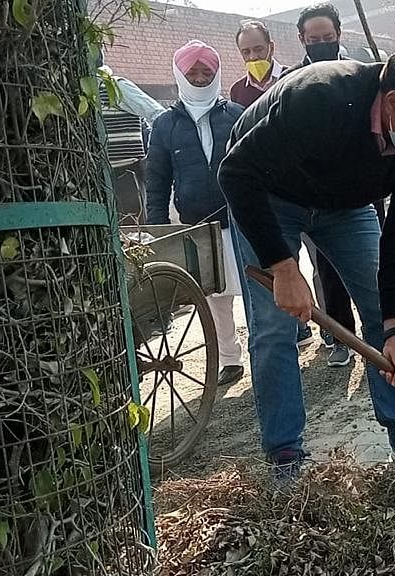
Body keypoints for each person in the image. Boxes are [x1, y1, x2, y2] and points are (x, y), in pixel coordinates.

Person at [218, 33, 395, 482]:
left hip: (347, 207)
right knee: (276, 328)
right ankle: (286, 455)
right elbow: (235, 173)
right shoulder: (318, 98)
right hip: (269, 195)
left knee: (384, 316)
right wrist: (282, 266)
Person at [282, 2, 389, 368]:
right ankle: (341, 336)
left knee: (376, 274)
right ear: (302, 39)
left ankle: (388, 341)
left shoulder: (365, 75)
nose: (322, 43)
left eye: (328, 37)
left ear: (339, 35)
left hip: (363, 191)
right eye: (314, 39)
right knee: (327, 271)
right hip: (316, 196)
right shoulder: (292, 83)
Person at [146, 40, 246, 388]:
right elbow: (156, 182)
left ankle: (282, 341)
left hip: (243, 221)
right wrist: (157, 230)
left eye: (207, 71)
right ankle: (230, 360)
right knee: (214, 298)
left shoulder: (235, 114)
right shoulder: (164, 126)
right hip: (198, 227)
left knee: (260, 286)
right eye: (193, 72)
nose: (201, 77)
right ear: (180, 75)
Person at [97, 56, 165, 224]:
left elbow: (159, 116)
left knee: (134, 237)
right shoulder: (81, 92)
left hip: (126, 176)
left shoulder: (116, 86)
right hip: (95, 178)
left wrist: (154, 155)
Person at [229, 20, 287, 108]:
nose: (253, 57)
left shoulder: (292, 77)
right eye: (246, 52)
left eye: (258, 49)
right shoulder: (237, 90)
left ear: (271, 48)